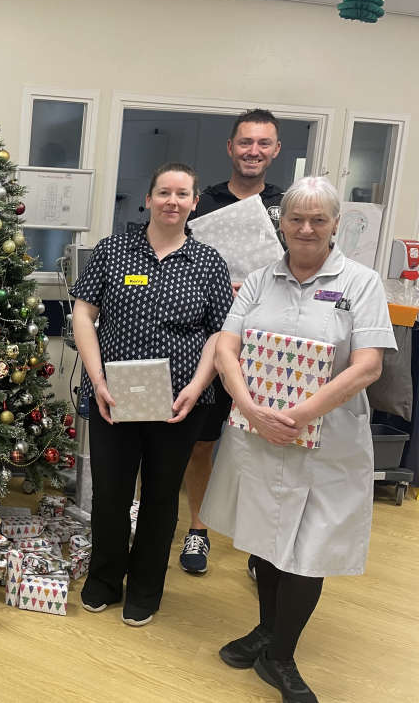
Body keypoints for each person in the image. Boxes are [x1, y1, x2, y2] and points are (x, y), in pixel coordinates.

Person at [201, 176, 394, 703]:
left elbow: (368, 367)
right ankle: (267, 630)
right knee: (265, 538)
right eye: (296, 219)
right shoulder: (260, 279)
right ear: (280, 223)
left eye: (318, 219)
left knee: (310, 550)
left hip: (328, 441)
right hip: (260, 432)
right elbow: (226, 348)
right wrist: (249, 407)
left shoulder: (361, 283)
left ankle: (281, 656)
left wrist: (297, 416)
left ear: (335, 225)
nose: (306, 229)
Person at [70, 162, 232, 627]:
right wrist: (97, 379)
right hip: (113, 400)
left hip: (179, 405)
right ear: (148, 199)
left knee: (161, 499)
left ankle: (145, 589)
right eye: (164, 192)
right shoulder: (113, 251)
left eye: (182, 194)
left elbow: (220, 334)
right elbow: (83, 314)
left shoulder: (208, 263)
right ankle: (104, 579)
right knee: (111, 494)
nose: (172, 201)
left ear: (194, 203)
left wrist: (198, 386)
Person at [179, 108, 285, 575]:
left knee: (262, 449)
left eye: (263, 143)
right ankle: (197, 530)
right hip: (209, 342)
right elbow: (178, 265)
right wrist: (221, 288)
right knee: (202, 443)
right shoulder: (202, 204)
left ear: (275, 150)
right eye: (245, 142)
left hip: (269, 350)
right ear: (230, 147)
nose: (253, 151)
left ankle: (261, 546)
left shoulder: (288, 206)